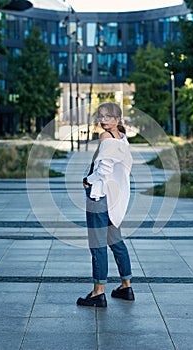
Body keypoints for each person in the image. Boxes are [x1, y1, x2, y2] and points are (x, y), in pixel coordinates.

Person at [77, 102, 134, 307]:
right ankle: (126, 286)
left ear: (117, 119)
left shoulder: (106, 138)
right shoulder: (123, 139)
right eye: (100, 116)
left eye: (108, 117)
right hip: (113, 198)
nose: (103, 120)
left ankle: (98, 292)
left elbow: (104, 169)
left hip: (99, 196)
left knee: (98, 244)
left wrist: (87, 181)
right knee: (116, 242)